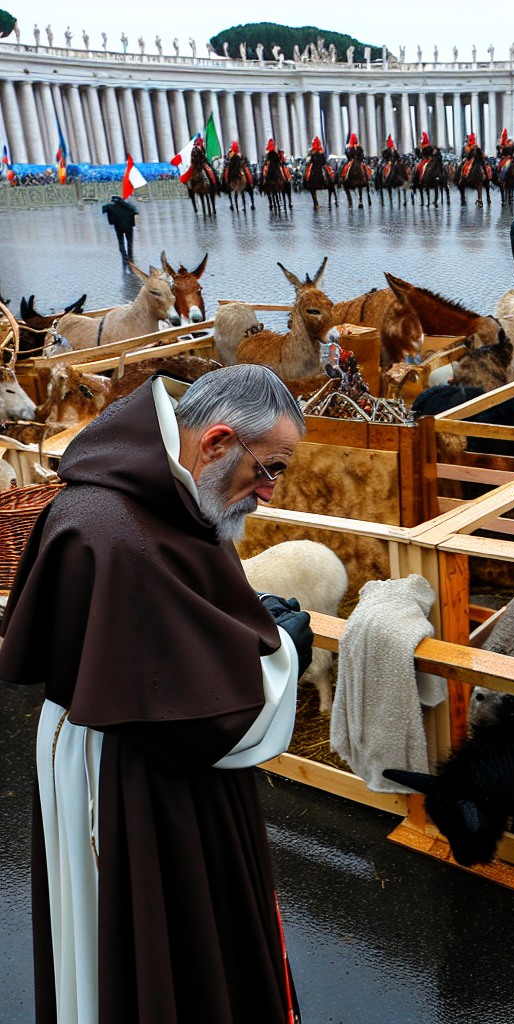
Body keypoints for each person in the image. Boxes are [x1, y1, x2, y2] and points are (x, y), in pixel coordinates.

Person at [0, 365, 315, 1024]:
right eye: (270, 469)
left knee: (189, 942)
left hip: (141, 754)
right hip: (123, 777)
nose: (269, 492)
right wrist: (282, 655)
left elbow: (171, 630)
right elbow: (197, 710)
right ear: (218, 442)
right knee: (149, 945)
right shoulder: (112, 527)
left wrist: (242, 615)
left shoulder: (174, 497)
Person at [100, 194, 137, 270]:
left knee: (121, 242)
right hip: (129, 227)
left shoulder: (111, 207)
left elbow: (103, 209)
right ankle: (130, 257)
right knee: (129, 242)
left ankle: (124, 257)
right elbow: (135, 211)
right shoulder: (128, 206)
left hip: (118, 227)